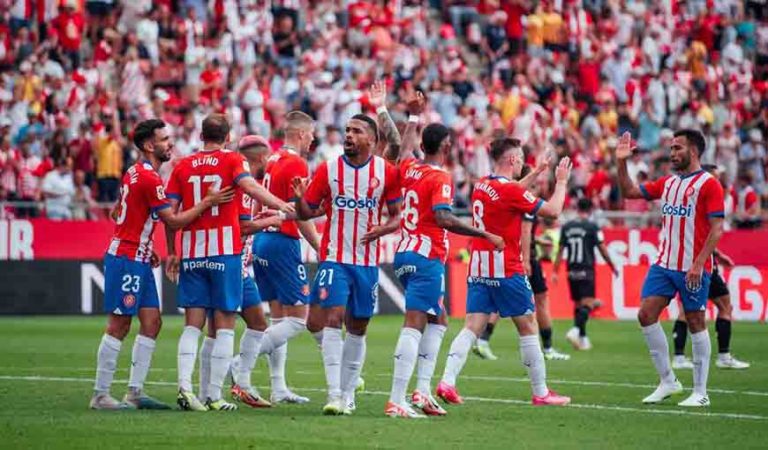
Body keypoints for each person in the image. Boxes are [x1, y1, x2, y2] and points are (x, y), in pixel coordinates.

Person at [90, 119, 233, 410]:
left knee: (152, 323)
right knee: (119, 324)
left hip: (139, 256)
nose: (170, 143)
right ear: (148, 145)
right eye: (164, 139)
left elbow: (119, 213)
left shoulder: (134, 172)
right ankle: (101, 394)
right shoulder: (150, 179)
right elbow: (174, 220)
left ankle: (134, 392)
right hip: (127, 258)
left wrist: (145, 244)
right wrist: (207, 202)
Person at [165, 114, 293, 412]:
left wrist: (173, 250)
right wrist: (281, 206)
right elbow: (250, 188)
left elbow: (170, 216)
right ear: (228, 136)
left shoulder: (181, 165)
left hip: (193, 252)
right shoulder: (233, 160)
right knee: (224, 325)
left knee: (193, 325)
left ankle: (185, 388)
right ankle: (213, 396)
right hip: (225, 252)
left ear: (200, 134)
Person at [436, 138, 573, 407]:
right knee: (528, 325)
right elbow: (554, 211)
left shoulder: (483, 184)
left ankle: (447, 382)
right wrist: (561, 181)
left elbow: (509, 193)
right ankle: (541, 392)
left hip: (479, 267)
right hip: (506, 267)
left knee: (472, 326)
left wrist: (536, 172)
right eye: (521, 159)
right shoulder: (510, 191)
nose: (523, 163)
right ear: (512, 160)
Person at [385, 123, 504, 418]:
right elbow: (443, 217)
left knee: (438, 319)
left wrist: (412, 116)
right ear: (447, 146)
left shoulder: (411, 167)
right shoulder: (441, 176)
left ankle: (422, 392)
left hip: (405, 253)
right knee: (414, 323)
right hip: (426, 257)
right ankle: (396, 399)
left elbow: (402, 148)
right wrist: (484, 233)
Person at [292, 114, 402, 416]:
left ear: (371, 139)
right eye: (348, 130)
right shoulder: (328, 170)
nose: (349, 135)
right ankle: (335, 394)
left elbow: (397, 215)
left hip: (366, 263)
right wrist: (300, 200)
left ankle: (349, 393)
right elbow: (307, 213)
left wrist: (384, 229)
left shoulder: (387, 173)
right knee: (332, 318)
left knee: (358, 326)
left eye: (357, 131)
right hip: (334, 259)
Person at [616, 129, 725, 407]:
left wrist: (699, 264)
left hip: (693, 267)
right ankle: (668, 381)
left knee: (696, 321)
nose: (672, 153)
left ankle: (700, 393)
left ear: (694, 151)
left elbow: (717, 228)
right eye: (672, 148)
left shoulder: (709, 184)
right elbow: (629, 191)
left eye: (678, 148)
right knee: (646, 314)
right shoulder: (668, 183)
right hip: (664, 264)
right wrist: (621, 161)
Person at [241, 112, 321, 405]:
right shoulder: (297, 163)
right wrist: (320, 246)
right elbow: (299, 214)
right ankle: (240, 363)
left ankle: (278, 387)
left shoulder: (273, 160)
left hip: (263, 241)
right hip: (282, 242)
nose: (313, 139)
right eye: (311, 134)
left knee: (279, 318)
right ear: (300, 134)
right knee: (299, 320)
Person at [199, 134, 280, 409]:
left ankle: (241, 384)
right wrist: (274, 219)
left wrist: (263, 219)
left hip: (237, 265)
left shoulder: (244, 182)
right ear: (260, 158)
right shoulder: (245, 185)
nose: (270, 161)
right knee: (217, 328)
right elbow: (242, 228)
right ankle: (208, 393)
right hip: (230, 262)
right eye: (268, 156)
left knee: (258, 322)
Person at [474, 161, 571, 361]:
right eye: (538, 180)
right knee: (537, 304)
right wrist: (561, 182)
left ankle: (483, 340)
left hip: (501, 258)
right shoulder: (521, 196)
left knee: (499, 303)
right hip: (519, 259)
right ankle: (547, 349)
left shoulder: (497, 187)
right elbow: (530, 227)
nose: (541, 183)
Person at [671, 165, 749, 371]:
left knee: (692, 309)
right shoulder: (705, 198)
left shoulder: (696, 198)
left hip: (694, 261)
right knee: (719, 307)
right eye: (716, 176)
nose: (718, 181)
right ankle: (722, 355)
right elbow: (704, 235)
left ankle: (680, 357)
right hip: (700, 264)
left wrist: (719, 255)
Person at [553, 197, 618, 351]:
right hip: (586, 269)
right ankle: (575, 330)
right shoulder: (592, 227)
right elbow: (602, 248)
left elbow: (560, 250)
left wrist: (555, 271)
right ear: (590, 210)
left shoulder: (567, 227)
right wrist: (612, 265)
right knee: (589, 303)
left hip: (571, 270)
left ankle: (583, 338)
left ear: (577, 209)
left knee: (578, 304)